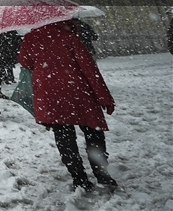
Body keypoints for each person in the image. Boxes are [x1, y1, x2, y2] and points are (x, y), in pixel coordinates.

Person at [18, 20, 118, 191]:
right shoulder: (69, 37)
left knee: (64, 136)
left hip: (50, 94)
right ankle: (102, 174)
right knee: (94, 133)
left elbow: (25, 62)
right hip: (79, 92)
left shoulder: (30, 39)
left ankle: (79, 178)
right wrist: (104, 97)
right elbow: (89, 68)